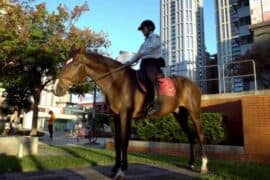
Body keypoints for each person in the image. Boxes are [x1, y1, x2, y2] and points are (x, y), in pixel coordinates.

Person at [128, 20, 165, 115]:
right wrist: (128, 62)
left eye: (143, 29)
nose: (142, 31)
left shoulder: (156, 37)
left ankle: (155, 103)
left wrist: (142, 53)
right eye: (142, 30)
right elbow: (137, 55)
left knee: (149, 77)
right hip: (143, 64)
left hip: (153, 64)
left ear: (150, 28)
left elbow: (154, 46)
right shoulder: (143, 44)